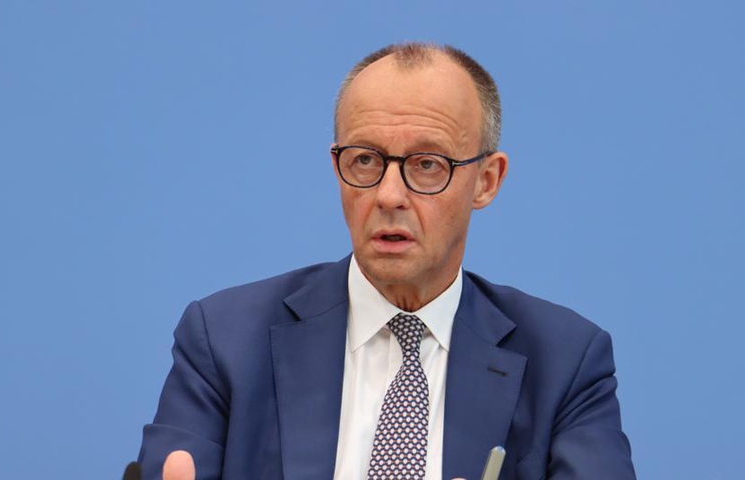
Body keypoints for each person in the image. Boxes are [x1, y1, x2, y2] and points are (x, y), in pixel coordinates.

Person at [138, 42, 636, 480]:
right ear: (336, 167)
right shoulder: (224, 340)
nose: (389, 195)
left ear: (486, 180)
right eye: (365, 160)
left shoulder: (566, 362)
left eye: (426, 165)